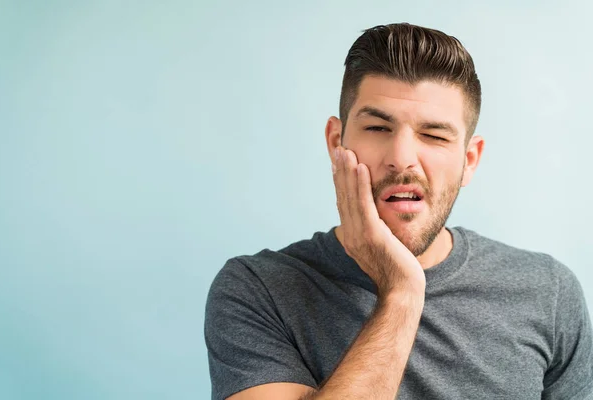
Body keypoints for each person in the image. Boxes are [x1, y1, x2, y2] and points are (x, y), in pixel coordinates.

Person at [204, 23, 593, 399]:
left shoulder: (549, 291)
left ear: (469, 160)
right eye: (377, 129)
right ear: (336, 141)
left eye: (434, 135)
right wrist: (402, 294)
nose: (402, 159)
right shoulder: (259, 288)